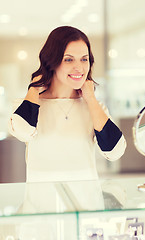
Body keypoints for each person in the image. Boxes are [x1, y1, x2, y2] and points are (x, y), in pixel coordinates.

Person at [9, 26, 126, 183]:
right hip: (42, 203)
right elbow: (23, 131)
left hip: (86, 203)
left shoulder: (94, 108)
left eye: (84, 59)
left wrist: (90, 98)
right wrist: (34, 88)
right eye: (69, 59)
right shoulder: (29, 105)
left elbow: (115, 152)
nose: (79, 67)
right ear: (52, 61)